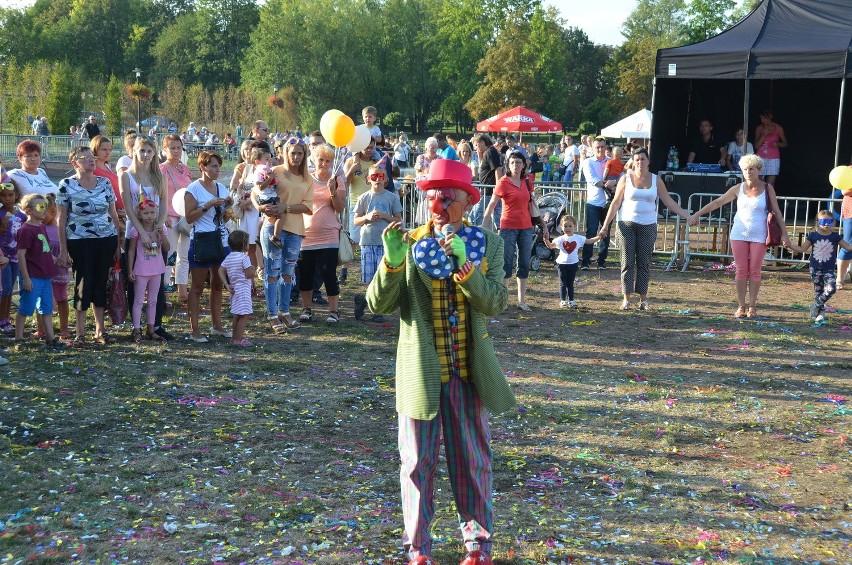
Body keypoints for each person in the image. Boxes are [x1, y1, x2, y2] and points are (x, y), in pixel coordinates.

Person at [366, 158, 514, 565]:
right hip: (421, 376)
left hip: (468, 375)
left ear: (467, 200)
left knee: (472, 461)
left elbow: (496, 302)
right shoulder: (409, 242)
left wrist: (467, 269)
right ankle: (418, 550)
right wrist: (393, 261)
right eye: (431, 194)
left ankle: (478, 545)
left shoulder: (490, 243)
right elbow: (379, 304)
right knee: (417, 465)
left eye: (447, 196)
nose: (438, 203)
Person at [688, 154, 791, 318]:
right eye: (745, 169)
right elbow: (718, 202)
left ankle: (752, 307)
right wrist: (697, 214)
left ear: (758, 170)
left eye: (752, 169)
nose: (748, 172)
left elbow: (777, 212)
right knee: (741, 270)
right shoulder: (738, 188)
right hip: (739, 234)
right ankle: (741, 306)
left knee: (755, 270)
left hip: (759, 234)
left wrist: (785, 234)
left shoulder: (767, 188)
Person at [599, 148, 690, 310]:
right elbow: (615, 203)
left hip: (648, 225)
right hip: (626, 223)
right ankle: (626, 298)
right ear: (633, 162)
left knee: (644, 262)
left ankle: (643, 299)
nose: (640, 162)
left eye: (643, 159)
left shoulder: (656, 180)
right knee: (627, 262)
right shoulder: (625, 179)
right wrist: (605, 226)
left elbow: (669, 201)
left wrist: (687, 216)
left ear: (648, 161)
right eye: (637, 159)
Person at [56, 146, 123, 346]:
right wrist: (63, 249)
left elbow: (113, 214)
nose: (90, 160)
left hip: (105, 239)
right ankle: (80, 332)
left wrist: (118, 244)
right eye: (83, 158)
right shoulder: (66, 185)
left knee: (101, 282)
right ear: (74, 163)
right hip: (78, 240)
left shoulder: (104, 183)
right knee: (83, 283)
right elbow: (61, 219)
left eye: (91, 157)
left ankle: (100, 330)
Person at [119, 136, 174, 341]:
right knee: (135, 281)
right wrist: (141, 231)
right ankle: (136, 327)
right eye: (142, 150)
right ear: (134, 151)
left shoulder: (160, 176)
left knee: (156, 281)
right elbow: (127, 206)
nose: (145, 155)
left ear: (154, 153)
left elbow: (164, 204)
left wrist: (158, 228)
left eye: (149, 151)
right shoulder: (127, 176)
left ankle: (155, 325)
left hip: (157, 235)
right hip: (135, 233)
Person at [258, 137, 313, 332]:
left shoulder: (307, 178)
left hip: (295, 230)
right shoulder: (275, 171)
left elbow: (307, 206)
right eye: (293, 153)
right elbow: (257, 191)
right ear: (285, 154)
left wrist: (286, 207)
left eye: (300, 153)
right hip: (273, 227)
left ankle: (285, 310)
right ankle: (272, 313)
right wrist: (261, 207)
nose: (296, 157)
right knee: (272, 271)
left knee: (288, 273)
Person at [184, 151, 233, 342]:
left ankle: (217, 326)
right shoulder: (193, 189)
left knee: (218, 285)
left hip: (221, 241)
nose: (217, 169)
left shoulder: (221, 188)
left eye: (218, 166)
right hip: (202, 241)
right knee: (196, 287)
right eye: (213, 166)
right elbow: (189, 218)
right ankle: (194, 329)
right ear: (202, 167)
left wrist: (229, 209)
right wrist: (208, 205)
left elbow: (226, 216)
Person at [482, 150, 539, 311]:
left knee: (524, 262)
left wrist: (541, 224)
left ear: (524, 165)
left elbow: (533, 203)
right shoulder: (503, 182)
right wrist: (484, 227)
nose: (516, 165)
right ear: (508, 164)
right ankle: (503, 299)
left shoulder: (527, 181)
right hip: (508, 227)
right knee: (506, 263)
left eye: (519, 162)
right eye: (513, 162)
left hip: (526, 227)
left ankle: (521, 301)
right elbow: (492, 205)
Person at [298, 144, 346, 324]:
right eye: (321, 160)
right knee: (306, 274)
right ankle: (306, 309)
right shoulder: (305, 179)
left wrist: (333, 191)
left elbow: (340, 208)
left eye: (328, 161)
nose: (324, 164)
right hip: (306, 235)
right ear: (314, 160)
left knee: (329, 274)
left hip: (329, 235)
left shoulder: (337, 179)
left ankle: (333, 311)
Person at [352, 162, 402, 323]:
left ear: (386, 179)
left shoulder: (392, 197)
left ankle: (375, 308)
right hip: (367, 241)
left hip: (385, 242)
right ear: (368, 179)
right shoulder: (363, 198)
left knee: (381, 277)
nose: (378, 179)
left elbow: (398, 220)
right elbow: (356, 220)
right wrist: (367, 217)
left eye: (381, 176)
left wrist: (384, 216)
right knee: (371, 278)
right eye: (374, 176)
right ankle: (367, 301)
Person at [786, 211, 852, 323]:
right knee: (818, 292)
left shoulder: (836, 237)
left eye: (829, 222)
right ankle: (820, 313)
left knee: (831, 288)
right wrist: (790, 245)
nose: (826, 224)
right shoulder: (813, 236)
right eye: (823, 221)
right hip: (815, 269)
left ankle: (815, 305)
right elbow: (802, 249)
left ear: (833, 222)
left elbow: (849, 248)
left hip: (829, 269)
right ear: (817, 222)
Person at [14, 194, 62, 348]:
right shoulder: (26, 230)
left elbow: (45, 249)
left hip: (46, 276)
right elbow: (21, 255)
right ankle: (19, 338)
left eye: (45, 206)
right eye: (41, 207)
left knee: (47, 309)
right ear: (28, 210)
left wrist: (56, 259)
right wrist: (26, 278)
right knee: (25, 309)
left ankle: (51, 338)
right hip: (33, 277)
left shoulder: (41, 227)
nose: (45, 210)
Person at [127, 198, 169, 342]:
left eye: (152, 212)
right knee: (138, 300)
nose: (149, 216)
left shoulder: (161, 229)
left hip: (156, 269)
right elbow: (131, 250)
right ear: (140, 215)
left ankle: (150, 329)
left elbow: (167, 248)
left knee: (153, 300)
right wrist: (130, 269)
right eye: (146, 213)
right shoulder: (135, 231)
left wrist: (162, 235)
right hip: (141, 269)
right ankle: (137, 329)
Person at [160, 134, 193, 302]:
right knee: (170, 254)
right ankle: (164, 291)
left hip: (185, 216)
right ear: (164, 150)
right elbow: (158, 194)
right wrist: (163, 214)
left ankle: (182, 290)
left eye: (178, 147)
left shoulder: (185, 169)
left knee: (184, 254)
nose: (176, 151)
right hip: (170, 217)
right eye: (172, 147)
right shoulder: (161, 169)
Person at [545, 215, 600, 308]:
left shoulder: (578, 238)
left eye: (570, 226)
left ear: (574, 226)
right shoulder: (560, 239)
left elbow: (590, 241)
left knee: (570, 284)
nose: (568, 228)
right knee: (563, 283)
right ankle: (563, 300)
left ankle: (571, 300)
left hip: (573, 264)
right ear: (562, 227)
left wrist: (599, 237)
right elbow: (551, 246)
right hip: (562, 264)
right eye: (565, 226)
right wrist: (546, 240)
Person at [581, 137, 615, 270]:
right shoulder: (588, 162)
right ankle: (586, 261)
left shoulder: (612, 162)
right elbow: (592, 179)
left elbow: (621, 177)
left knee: (605, 231)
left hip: (608, 204)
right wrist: (609, 184)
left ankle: (602, 261)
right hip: (593, 202)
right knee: (591, 232)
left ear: (606, 147)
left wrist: (615, 183)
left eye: (602, 147)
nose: (600, 149)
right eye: (597, 147)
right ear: (593, 148)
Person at [41, 194, 71, 340]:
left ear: (53, 212)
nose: (41, 216)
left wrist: (67, 258)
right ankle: (42, 329)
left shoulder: (60, 229)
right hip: (43, 270)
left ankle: (64, 328)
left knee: (61, 298)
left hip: (59, 269)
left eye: (44, 212)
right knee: (42, 299)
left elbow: (67, 247)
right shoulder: (38, 228)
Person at [219, 230, 255, 346]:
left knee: (237, 314)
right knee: (244, 315)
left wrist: (226, 284)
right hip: (243, 289)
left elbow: (221, 270)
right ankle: (239, 339)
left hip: (234, 288)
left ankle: (234, 338)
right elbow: (249, 274)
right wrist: (253, 268)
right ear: (244, 244)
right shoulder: (244, 258)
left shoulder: (229, 257)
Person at [0, 181, 25, 334]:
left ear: (16, 196)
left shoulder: (21, 215)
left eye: (10, 195)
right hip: (3, 257)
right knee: (5, 288)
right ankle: (2, 319)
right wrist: (2, 225)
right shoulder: (0, 214)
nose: (7, 198)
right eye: (3, 196)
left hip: (15, 256)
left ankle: (6, 317)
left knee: (10, 289)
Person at [90, 135, 125, 229]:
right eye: (104, 149)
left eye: (110, 149)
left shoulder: (107, 166)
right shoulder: (93, 170)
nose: (108, 152)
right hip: (111, 211)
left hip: (121, 209)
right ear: (95, 149)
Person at [469, 133, 504, 227]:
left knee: (475, 215)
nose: (475, 148)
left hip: (489, 190)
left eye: (476, 145)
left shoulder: (490, 152)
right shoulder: (489, 152)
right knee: (496, 215)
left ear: (482, 143)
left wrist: (498, 188)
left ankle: (474, 233)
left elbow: (498, 169)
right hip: (488, 190)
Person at [754, 109, 787, 186]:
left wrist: (778, 144)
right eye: (761, 118)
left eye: (764, 118)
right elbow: (756, 146)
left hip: (773, 158)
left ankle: (769, 198)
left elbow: (785, 143)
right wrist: (763, 135)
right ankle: (761, 198)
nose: (762, 120)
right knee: (760, 184)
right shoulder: (759, 128)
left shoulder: (778, 128)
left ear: (770, 117)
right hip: (760, 157)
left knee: (770, 186)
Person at [837, 179, 852, 289]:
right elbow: (844, 191)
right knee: (847, 245)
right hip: (851, 212)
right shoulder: (849, 170)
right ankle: (839, 280)